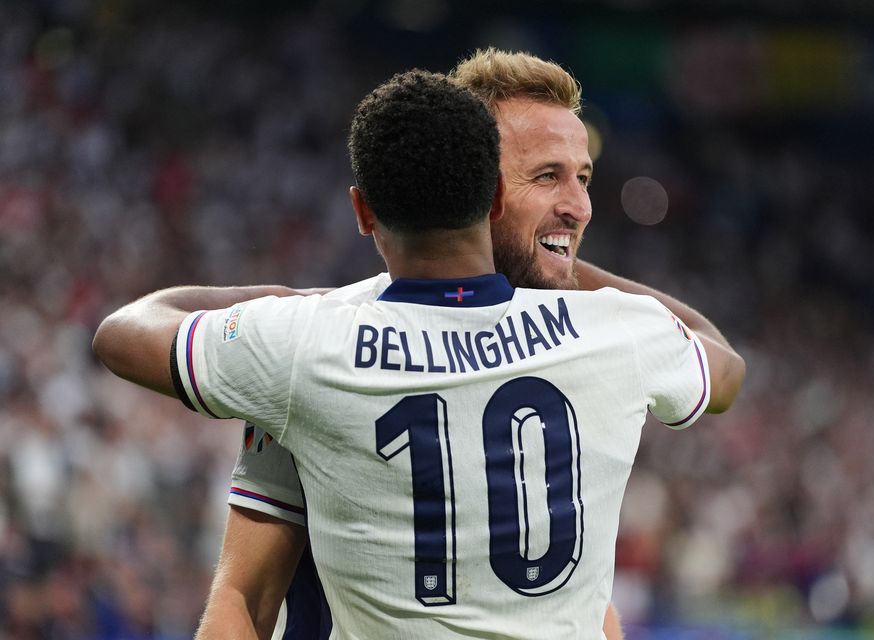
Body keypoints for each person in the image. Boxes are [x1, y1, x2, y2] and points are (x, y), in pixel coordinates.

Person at [93, 69, 744, 637]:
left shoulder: (303, 346)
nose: (574, 205)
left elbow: (126, 333)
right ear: (488, 196)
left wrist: (280, 301)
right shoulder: (615, 335)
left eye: (581, 178)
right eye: (546, 176)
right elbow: (246, 595)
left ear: (363, 210)